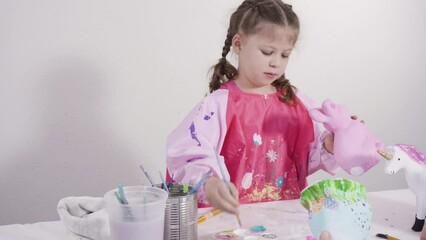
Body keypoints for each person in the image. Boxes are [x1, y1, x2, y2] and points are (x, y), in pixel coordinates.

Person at [166, 0, 351, 239]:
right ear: (238, 44)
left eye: (285, 54)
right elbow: (189, 153)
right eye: (267, 52)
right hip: (234, 223)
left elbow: (306, 156)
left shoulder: (296, 102)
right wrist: (210, 184)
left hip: (286, 220)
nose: (276, 62)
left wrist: (331, 143)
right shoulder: (219, 104)